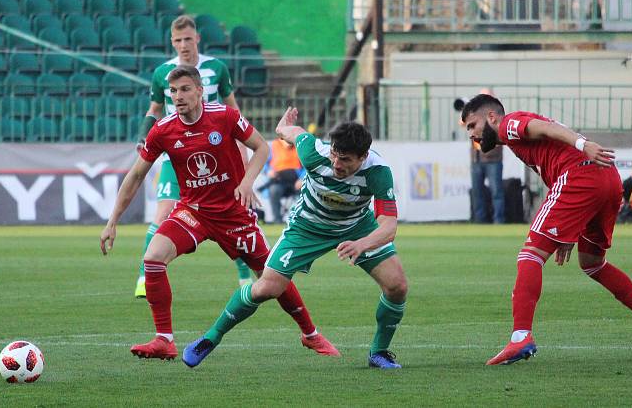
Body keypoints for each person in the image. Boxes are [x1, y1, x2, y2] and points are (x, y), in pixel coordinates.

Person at [101, 67, 339, 360]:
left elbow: (262, 148)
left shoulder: (224, 116)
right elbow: (136, 175)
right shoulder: (163, 130)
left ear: (200, 91)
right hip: (193, 212)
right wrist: (113, 221)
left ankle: (310, 334)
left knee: (271, 276)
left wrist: (247, 182)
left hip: (233, 214)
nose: (178, 97)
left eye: (185, 89)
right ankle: (164, 340)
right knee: (152, 258)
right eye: (173, 91)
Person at [460, 94, 632, 365]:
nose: (472, 134)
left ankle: (520, 337)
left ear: (491, 117)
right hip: (606, 179)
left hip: (581, 174)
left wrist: (583, 143)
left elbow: (545, 129)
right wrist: (569, 231)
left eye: (472, 125)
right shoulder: (513, 137)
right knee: (593, 263)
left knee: (530, 256)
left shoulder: (508, 124)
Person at [182, 107, 409, 369]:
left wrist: (362, 244)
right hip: (307, 226)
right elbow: (291, 133)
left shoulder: (378, 172)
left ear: (363, 157)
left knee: (397, 286)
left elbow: (388, 226)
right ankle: (210, 338)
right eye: (335, 154)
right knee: (267, 288)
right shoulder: (313, 151)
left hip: (356, 227)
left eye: (345, 159)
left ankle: (379, 352)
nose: (336, 163)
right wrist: (283, 126)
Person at [133, 15, 253, 298]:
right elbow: (154, 109)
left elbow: (233, 112)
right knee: (162, 213)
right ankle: (143, 277)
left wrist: (244, 160)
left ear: (197, 38)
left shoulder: (216, 68)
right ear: (172, 42)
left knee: (233, 214)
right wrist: (143, 133)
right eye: (178, 40)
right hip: (176, 154)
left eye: (188, 39)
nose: (183, 45)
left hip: (216, 153)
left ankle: (244, 276)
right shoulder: (162, 72)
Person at [466, 89, 504, 224]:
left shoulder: (495, 113)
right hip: (476, 160)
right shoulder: (476, 114)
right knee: (477, 193)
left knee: (497, 192)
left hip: (493, 159)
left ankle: (499, 220)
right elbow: (463, 122)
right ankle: (480, 220)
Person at [264, 138, 303, 223]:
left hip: (296, 182)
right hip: (279, 181)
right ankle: (277, 220)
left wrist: (302, 179)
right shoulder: (273, 145)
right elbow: (265, 164)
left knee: (306, 190)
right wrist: (268, 171)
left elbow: (307, 166)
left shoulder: (299, 146)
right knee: (273, 190)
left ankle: (303, 220)